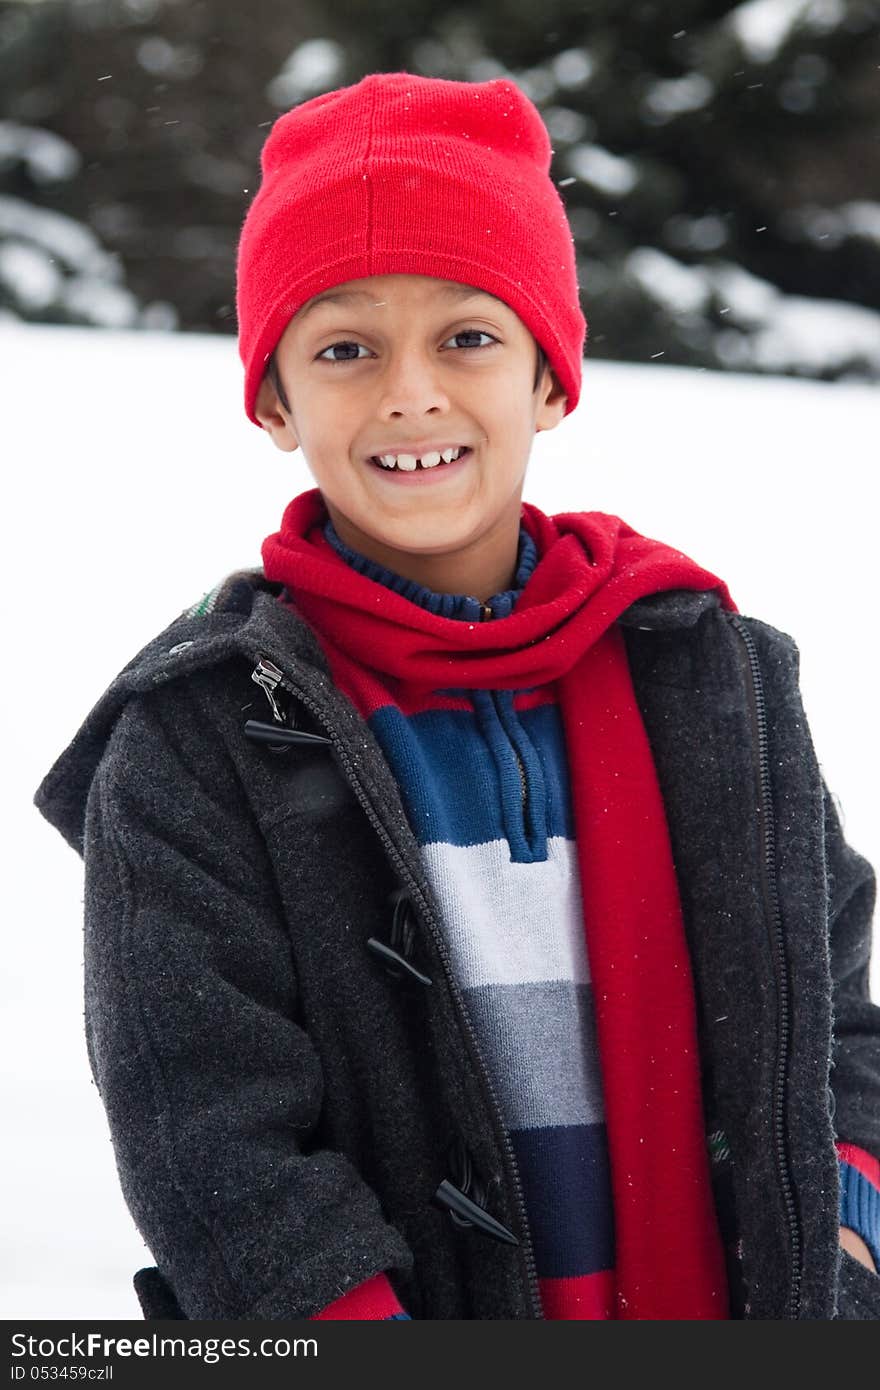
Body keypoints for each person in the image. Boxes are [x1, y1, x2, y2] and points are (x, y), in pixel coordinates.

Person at [33, 70, 879, 1321]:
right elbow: (208, 1138)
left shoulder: (713, 680)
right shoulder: (196, 737)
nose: (410, 393)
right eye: (345, 348)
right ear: (274, 398)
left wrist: (847, 1241)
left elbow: (837, 1032)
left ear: (548, 375)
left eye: (469, 336)